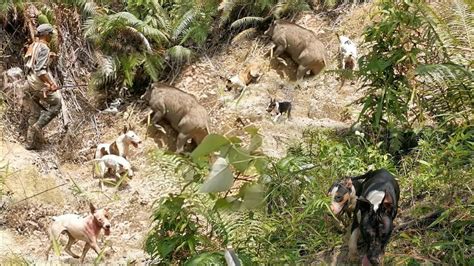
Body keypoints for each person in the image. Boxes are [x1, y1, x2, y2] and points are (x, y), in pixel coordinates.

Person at [24, 23, 61, 150]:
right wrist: (51, 83)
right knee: (57, 103)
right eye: (50, 34)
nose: (51, 36)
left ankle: (29, 144)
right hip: (36, 83)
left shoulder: (33, 45)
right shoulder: (44, 48)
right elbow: (40, 70)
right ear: (45, 35)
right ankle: (38, 127)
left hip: (28, 83)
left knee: (34, 112)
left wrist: (49, 58)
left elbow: (31, 64)